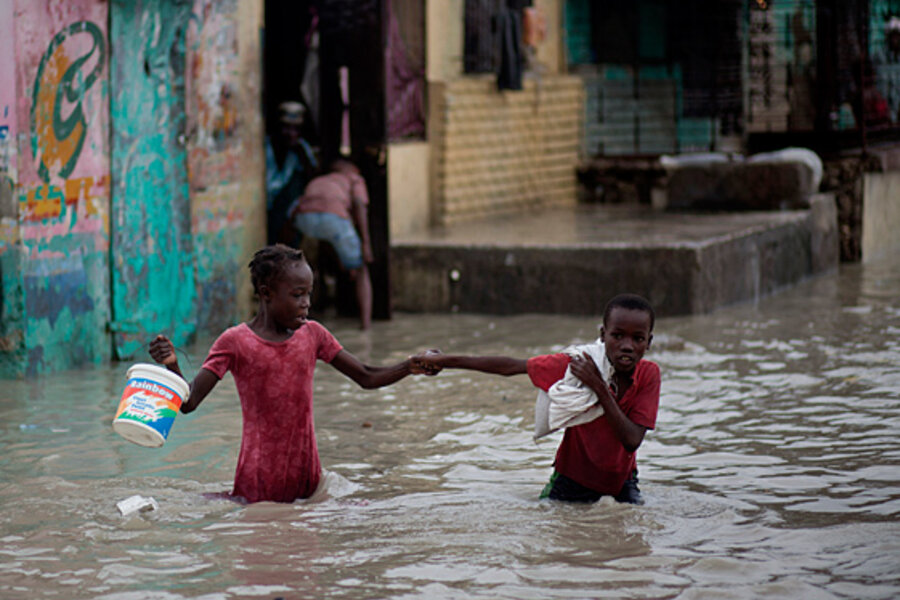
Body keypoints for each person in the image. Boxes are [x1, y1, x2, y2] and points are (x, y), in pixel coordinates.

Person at [149, 244, 434, 504]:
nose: (306, 303)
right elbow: (189, 403)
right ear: (266, 293)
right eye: (297, 295)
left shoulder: (314, 335)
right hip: (258, 486)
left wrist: (408, 367)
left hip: (307, 480)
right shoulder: (235, 341)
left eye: (308, 293)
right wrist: (172, 365)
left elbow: (366, 376)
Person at [414, 293, 660, 505]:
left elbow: (631, 439)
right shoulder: (578, 365)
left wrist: (598, 386)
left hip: (622, 483)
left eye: (637, 338)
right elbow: (510, 366)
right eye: (618, 336)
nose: (627, 346)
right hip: (571, 480)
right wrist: (445, 361)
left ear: (648, 342)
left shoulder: (648, 374)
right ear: (603, 335)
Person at [288, 158, 374, 330]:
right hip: (334, 217)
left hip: (305, 218)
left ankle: (299, 321)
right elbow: (359, 206)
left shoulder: (318, 181)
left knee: (306, 270)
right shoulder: (354, 179)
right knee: (361, 270)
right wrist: (365, 243)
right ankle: (366, 324)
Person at [266, 101, 318, 245]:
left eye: (296, 129)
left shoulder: (300, 149)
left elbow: (312, 182)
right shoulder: (265, 147)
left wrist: (302, 155)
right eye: (286, 128)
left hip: (284, 215)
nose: (291, 134)